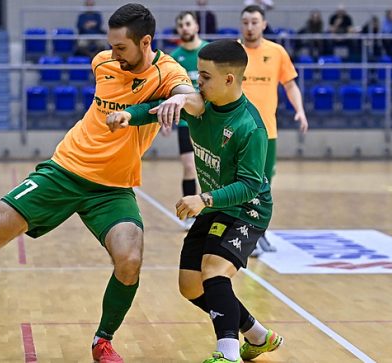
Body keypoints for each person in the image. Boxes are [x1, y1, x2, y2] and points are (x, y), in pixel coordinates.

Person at [0, 4, 194, 362]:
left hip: (113, 187)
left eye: (122, 48)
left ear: (145, 41)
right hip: (65, 169)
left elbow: (189, 94)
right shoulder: (103, 62)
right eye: (112, 46)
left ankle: (102, 341)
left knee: (130, 259)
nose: (114, 55)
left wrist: (180, 96)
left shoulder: (167, 70)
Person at [106, 39, 283, 363]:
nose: (196, 81)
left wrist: (204, 198)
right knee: (190, 286)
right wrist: (129, 115)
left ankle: (226, 353)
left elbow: (249, 185)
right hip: (215, 205)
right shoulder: (200, 104)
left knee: (214, 273)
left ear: (229, 79)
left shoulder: (249, 127)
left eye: (204, 76)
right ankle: (257, 335)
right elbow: (160, 106)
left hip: (247, 209)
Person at [240, 5, 308, 255]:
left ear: (264, 24)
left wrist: (299, 110)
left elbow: (290, 86)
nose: (250, 27)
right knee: (245, 183)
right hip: (240, 133)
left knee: (264, 186)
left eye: (254, 22)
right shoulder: (234, 53)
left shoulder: (277, 52)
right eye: (245, 22)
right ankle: (245, 235)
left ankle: (259, 232)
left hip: (267, 132)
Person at [169, 11, 209, 230]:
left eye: (188, 23)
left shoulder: (208, 51)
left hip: (209, 121)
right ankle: (189, 214)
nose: (185, 28)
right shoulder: (175, 56)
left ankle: (212, 209)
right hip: (186, 121)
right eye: (181, 25)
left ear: (196, 27)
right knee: (189, 167)